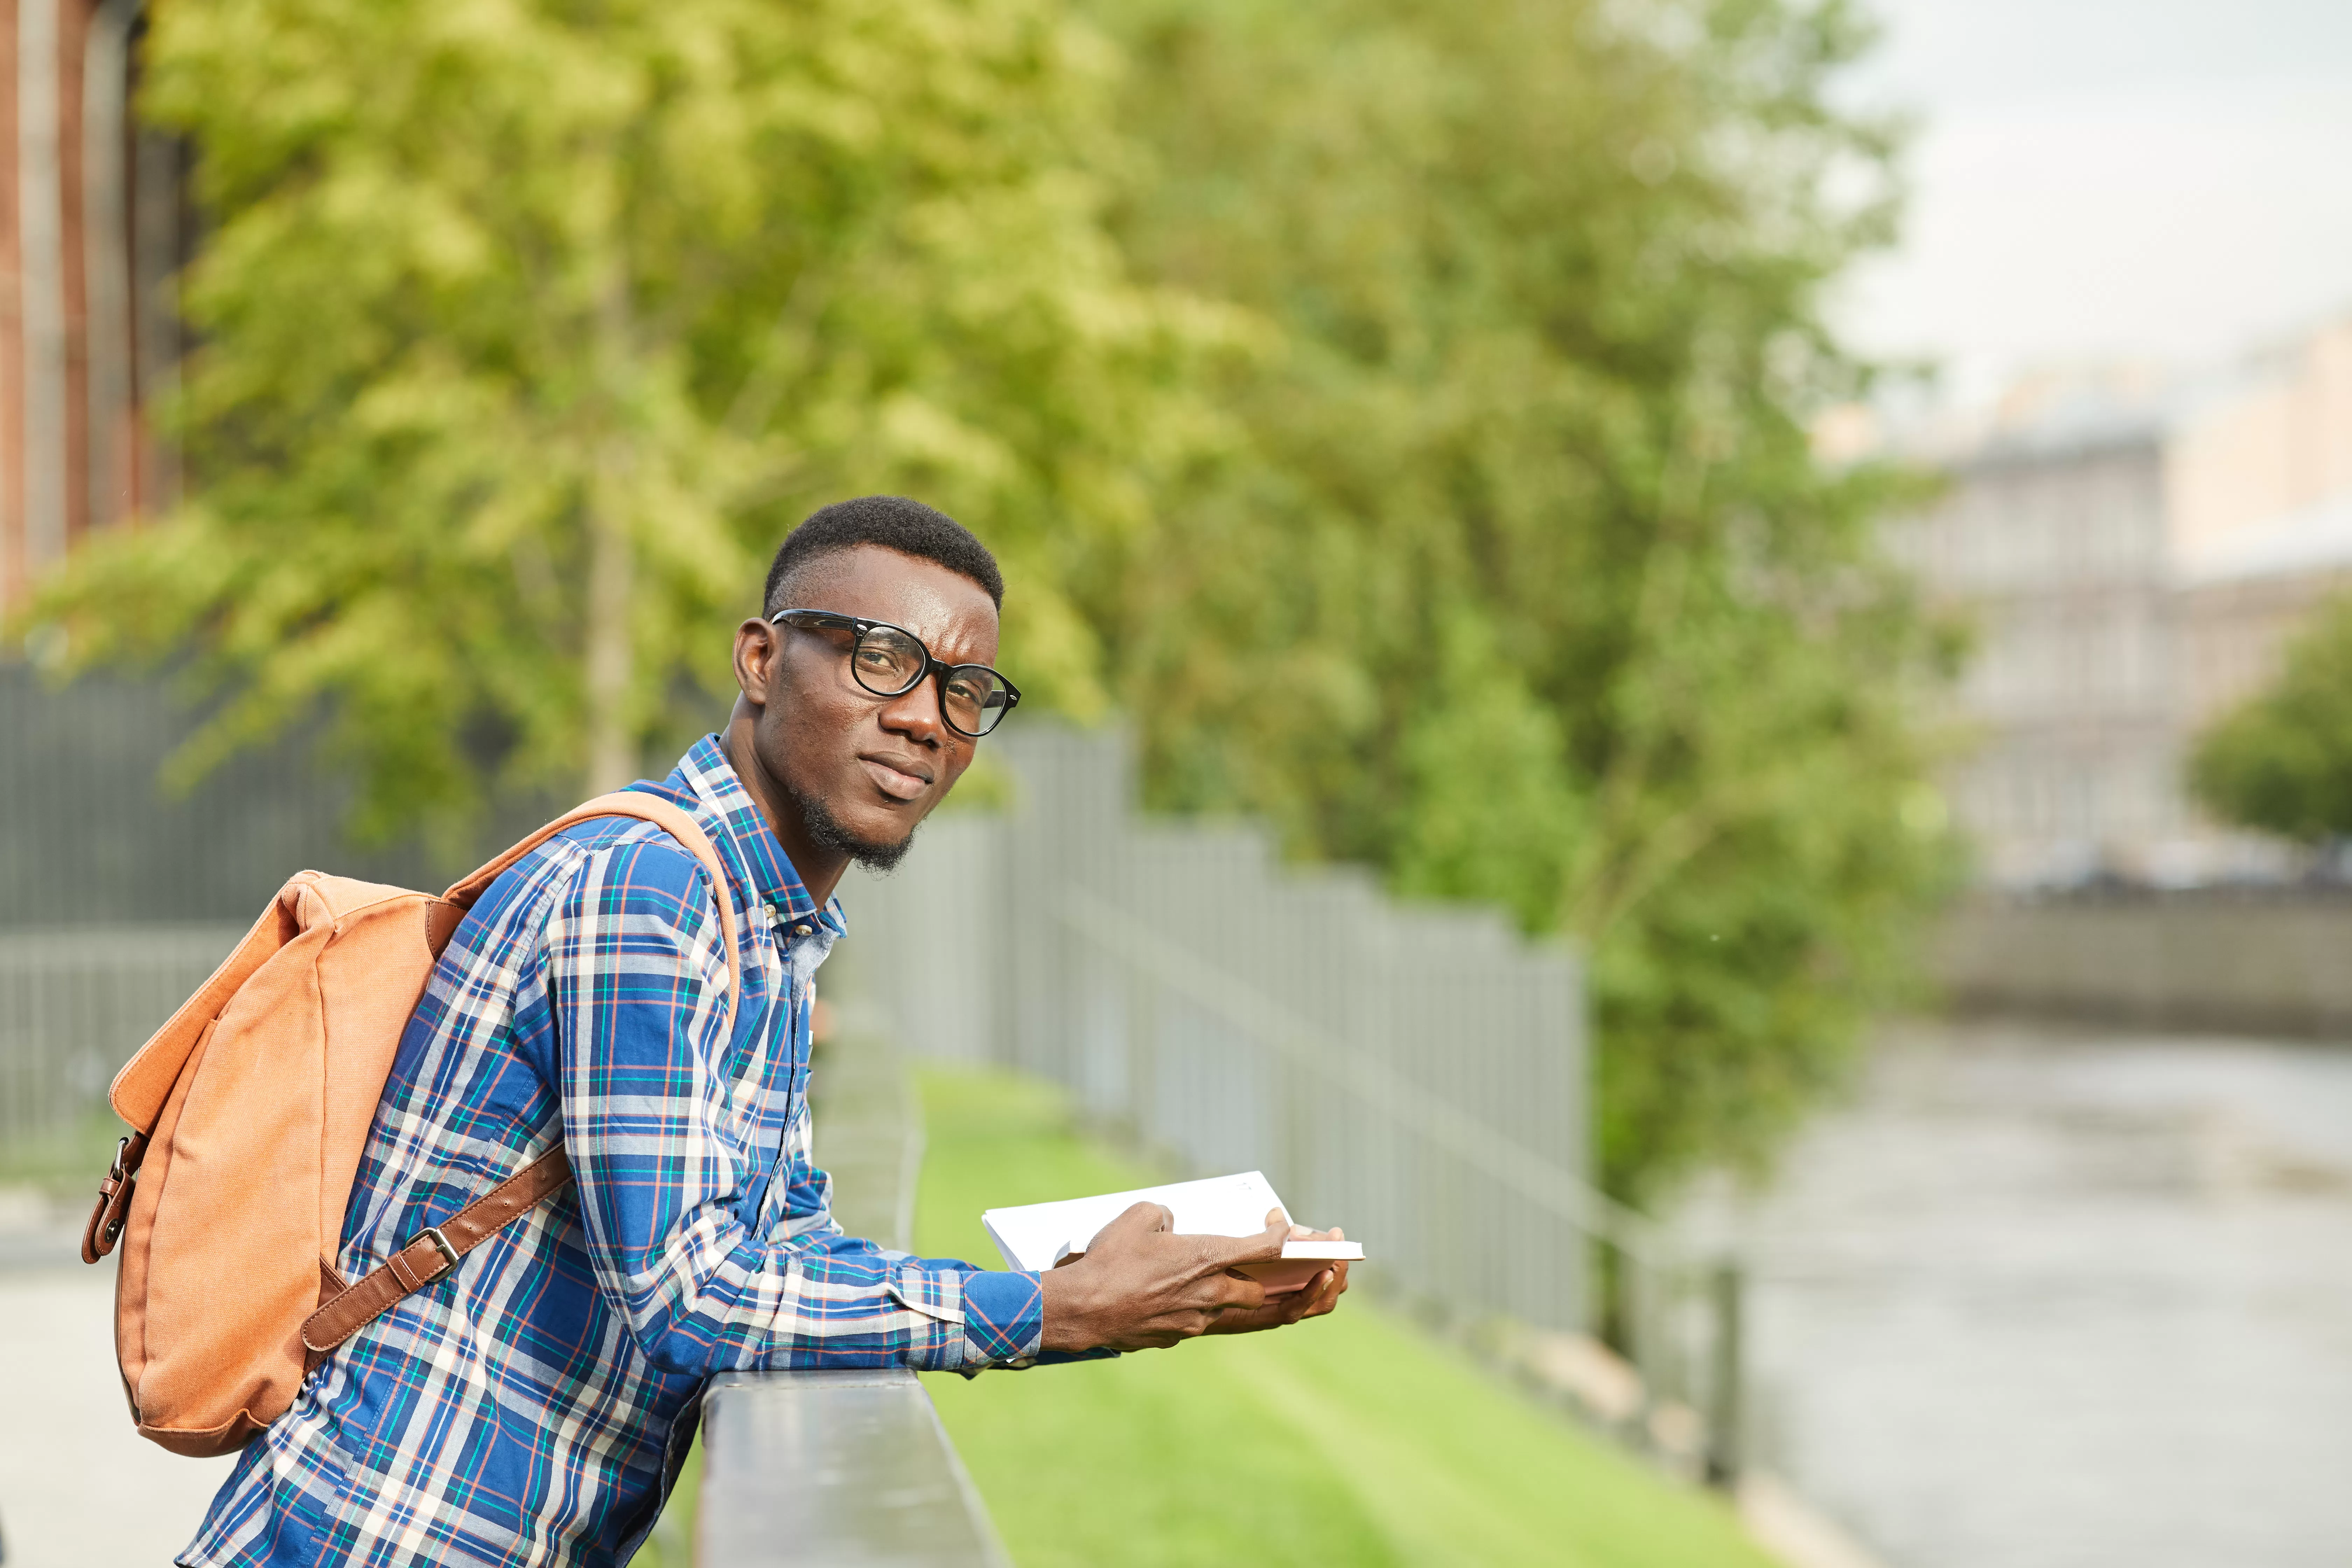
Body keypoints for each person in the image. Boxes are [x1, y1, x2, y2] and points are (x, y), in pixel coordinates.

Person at [180, 496, 1348, 1568]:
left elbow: (781, 1251)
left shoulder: (764, 929)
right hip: (380, 1539)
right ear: (759, 658)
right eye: (883, 659)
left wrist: (1129, 1282)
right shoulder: (648, 893)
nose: (925, 723)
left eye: (964, 692)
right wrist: (1049, 1314)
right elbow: (689, 1293)